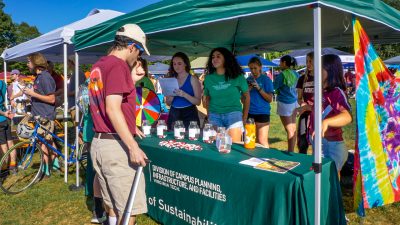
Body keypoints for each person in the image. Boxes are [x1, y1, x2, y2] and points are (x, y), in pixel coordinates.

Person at [88, 24, 149, 225]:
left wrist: (131, 124)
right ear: (131, 46)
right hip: (115, 146)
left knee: (112, 204)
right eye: (139, 51)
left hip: (100, 142)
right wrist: (133, 147)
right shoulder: (118, 65)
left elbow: (113, 104)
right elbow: (113, 109)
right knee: (128, 208)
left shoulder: (101, 64)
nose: (137, 57)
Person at [297, 54, 352, 172]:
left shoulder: (336, 92)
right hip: (318, 142)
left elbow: (347, 116)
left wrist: (326, 122)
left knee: (330, 179)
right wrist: (308, 107)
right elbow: (321, 110)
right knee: (319, 176)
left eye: (319, 67)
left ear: (330, 70)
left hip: (332, 146)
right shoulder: (321, 90)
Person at [203, 47, 250, 143]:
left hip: (234, 115)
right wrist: (209, 115)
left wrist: (244, 118)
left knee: (233, 146)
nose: (214, 59)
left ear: (226, 59)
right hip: (214, 115)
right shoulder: (208, 79)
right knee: (216, 145)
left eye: (218, 56)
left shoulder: (238, 77)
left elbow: (247, 97)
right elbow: (206, 98)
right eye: (213, 57)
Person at [23, 53, 57, 178]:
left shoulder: (45, 77)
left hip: (45, 116)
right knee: (47, 141)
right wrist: (30, 95)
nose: (27, 64)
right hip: (39, 115)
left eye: (29, 62)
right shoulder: (38, 77)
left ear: (35, 63)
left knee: (43, 143)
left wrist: (33, 93)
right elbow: (40, 95)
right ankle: (54, 163)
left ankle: (45, 170)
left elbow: (52, 99)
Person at [165, 52, 201, 130]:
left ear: (185, 64)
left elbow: (198, 102)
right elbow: (168, 103)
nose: (176, 66)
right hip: (174, 113)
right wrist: (171, 97)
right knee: (172, 140)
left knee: (191, 139)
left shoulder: (193, 79)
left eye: (179, 63)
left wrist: (184, 94)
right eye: (174, 64)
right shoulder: (170, 79)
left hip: (190, 113)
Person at [273, 55, 299, 152]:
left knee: (289, 129)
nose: (279, 64)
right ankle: (291, 151)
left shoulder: (282, 75)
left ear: (284, 63)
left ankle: (290, 152)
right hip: (294, 102)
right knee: (293, 128)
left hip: (284, 103)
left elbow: (273, 86)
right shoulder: (296, 74)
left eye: (280, 62)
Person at [246, 57, 274, 147]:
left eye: (255, 68)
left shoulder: (266, 80)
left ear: (260, 67)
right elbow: (243, 99)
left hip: (262, 113)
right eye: (251, 68)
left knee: (262, 141)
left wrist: (259, 88)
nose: (253, 71)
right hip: (250, 112)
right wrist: (248, 90)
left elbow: (270, 99)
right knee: (250, 140)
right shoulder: (248, 80)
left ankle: (266, 159)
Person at [296, 52, 314, 154]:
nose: (308, 64)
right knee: (302, 142)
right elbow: (299, 98)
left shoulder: (322, 77)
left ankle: (318, 167)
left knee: (318, 142)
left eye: (311, 61)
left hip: (318, 113)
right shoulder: (302, 78)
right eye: (307, 61)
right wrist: (302, 103)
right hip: (304, 113)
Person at [0, 77, 16, 177]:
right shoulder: (2, 83)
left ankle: (4, 170)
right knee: (10, 142)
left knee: (3, 146)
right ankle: (13, 166)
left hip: (1, 118)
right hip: (5, 119)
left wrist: (3, 113)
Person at [67, 56, 85, 122]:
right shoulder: (75, 73)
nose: (67, 64)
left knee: (78, 128)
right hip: (74, 105)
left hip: (77, 106)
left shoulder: (78, 73)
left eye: (68, 62)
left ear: (71, 62)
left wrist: (68, 93)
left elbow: (80, 89)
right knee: (77, 127)